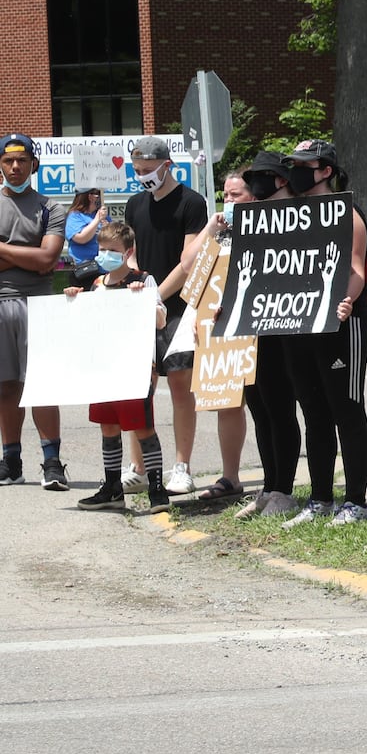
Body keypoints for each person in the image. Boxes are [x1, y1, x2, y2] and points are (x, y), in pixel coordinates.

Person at [276, 140, 367, 528]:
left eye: (306, 165)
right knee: (314, 412)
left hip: (340, 324)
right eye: (294, 165)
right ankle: (320, 499)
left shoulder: (347, 214)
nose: (297, 171)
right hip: (299, 323)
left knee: (346, 410)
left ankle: (356, 501)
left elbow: (356, 269)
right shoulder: (290, 215)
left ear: (326, 171)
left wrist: (348, 300)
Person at [124, 135, 208, 496]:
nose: (143, 177)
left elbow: (188, 263)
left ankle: (181, 466)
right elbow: (130, 253)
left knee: (179, 385)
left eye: (148, 170)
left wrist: (157, 293)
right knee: (136, 387)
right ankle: (139, 467)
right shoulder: (134, 204)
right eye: (137, 171)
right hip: (140, 304)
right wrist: (135, 282)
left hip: (177, 307)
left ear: (167, 166)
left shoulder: (191, 202)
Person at [69, 222, 170, 513]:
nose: (105, 255)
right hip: (103, 369)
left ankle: (156, 487)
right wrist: (74, 301)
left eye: (112, 251)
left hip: (135, 368)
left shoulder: (143, 280)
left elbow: (160, 320)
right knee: (108, 426)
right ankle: (112, 487)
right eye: (102, 250)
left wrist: (143, 300)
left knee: (143, 428)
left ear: (128, 252)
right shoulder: (97, 285)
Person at [178, 170, 256, 504]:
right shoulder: (220, 235)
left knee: (267, 407)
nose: (230, 201)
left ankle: (279, 479)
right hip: (218, 331)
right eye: (226, 195)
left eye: (236, 195)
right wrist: (212, 227)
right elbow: (188, 267)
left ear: (253, 197)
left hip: (254, 327)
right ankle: (231, 477)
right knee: (227, 403)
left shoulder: (263, 230)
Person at [232, 151, 302, 518]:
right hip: (254, 323)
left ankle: (284, 489)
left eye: (260, 178)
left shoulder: (302, 218)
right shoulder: (251, 222)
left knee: (279, 406)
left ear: (279, 180)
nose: (252, 188)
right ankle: (270, 484)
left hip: (288, 327)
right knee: (259, 405)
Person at [0, 133, 68, 490]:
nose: (15, 167)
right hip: (0, 303)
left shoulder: (50, 207)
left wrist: (3, 250)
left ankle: (52, 462)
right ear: (0, 165)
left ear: (33, 164)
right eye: (9, 161)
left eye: (22, 161)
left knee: (42, 387)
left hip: (39, 305)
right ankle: (11, 462)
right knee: (6, 387)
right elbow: (37, 258)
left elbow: (48, 259)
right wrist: (28, 255)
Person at [65, 189, 108, 265]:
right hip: (84, 266)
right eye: (98, 194)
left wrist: (108, 227)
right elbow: (81, 238)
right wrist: (97, 220)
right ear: (90, 197)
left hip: (104, 264)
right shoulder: (75, 216)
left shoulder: (103, 216)